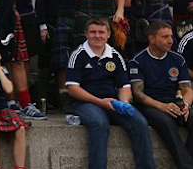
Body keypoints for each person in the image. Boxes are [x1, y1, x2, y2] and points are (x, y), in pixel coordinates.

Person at [66, 17, 155, 169]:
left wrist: (124, 103)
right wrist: (100, 102)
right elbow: (73, 89)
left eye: (101, 32)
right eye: (93, 32)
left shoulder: (115, 56)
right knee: (100, 124)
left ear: (108, 34)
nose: (97, 36)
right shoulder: (78, 55)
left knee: (139, 122)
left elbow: (124, 86)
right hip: (85, 103)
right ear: (86, 34)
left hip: (111, 102)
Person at [130, 21, 193, 169]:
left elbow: (187, 89)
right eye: (165, 37)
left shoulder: (178, 59)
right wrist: (162, 106)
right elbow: (138, 94)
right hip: (150, 104)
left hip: (174, 102)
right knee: (166, 123)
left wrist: (186, 105)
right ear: (151, 39)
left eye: (171, 36)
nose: (170, 40)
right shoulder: (138, 60)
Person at [47, 0, 81, 113]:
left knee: (82, 59)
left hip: (83, 18)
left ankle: (80, 96)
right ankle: (64, 98)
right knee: (62, 62)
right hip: (64, 17)